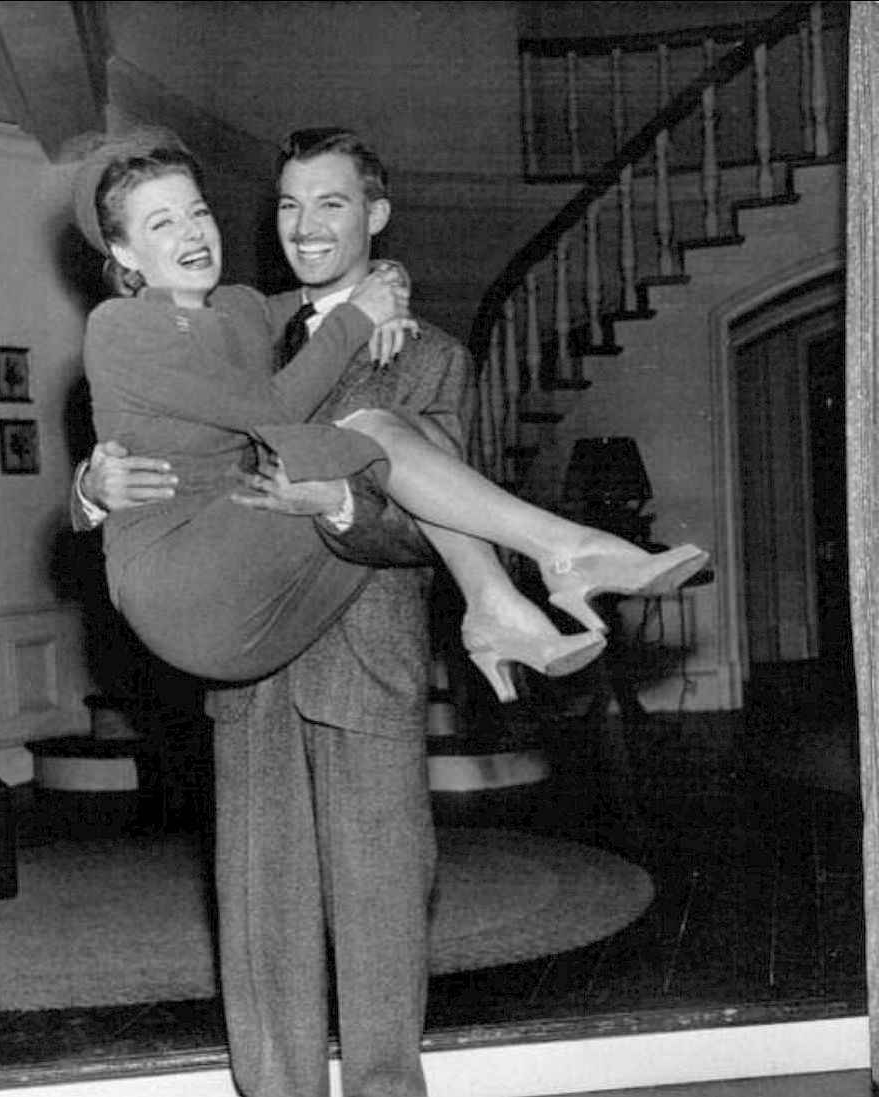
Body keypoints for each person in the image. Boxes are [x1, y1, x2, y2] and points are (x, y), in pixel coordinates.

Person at [70, 127, 705, 1097]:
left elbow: (433, 521)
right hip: (247, 659)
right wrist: (89, 486)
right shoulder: (236, 316)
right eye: (288, 205)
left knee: (381, 914)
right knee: (263, 921)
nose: (305, 225)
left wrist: (337, 500)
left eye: (331, 203)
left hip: (361, 656)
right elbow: (164, 434)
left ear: (375, 215)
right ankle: (531, 581)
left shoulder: (431, 354)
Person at [72, 128, 708, 701]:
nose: (191, 233)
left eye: (198, 212)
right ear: (123, 252)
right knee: (373, 425)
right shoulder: (118, 325)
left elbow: (336, 292)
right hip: (179, 588)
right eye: (161, 223)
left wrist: (389, 281)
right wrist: (89, 488)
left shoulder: (240, 309)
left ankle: (495, 604)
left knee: (414, 432)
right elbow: (272, 407)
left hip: (252, 572)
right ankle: (561, 551)